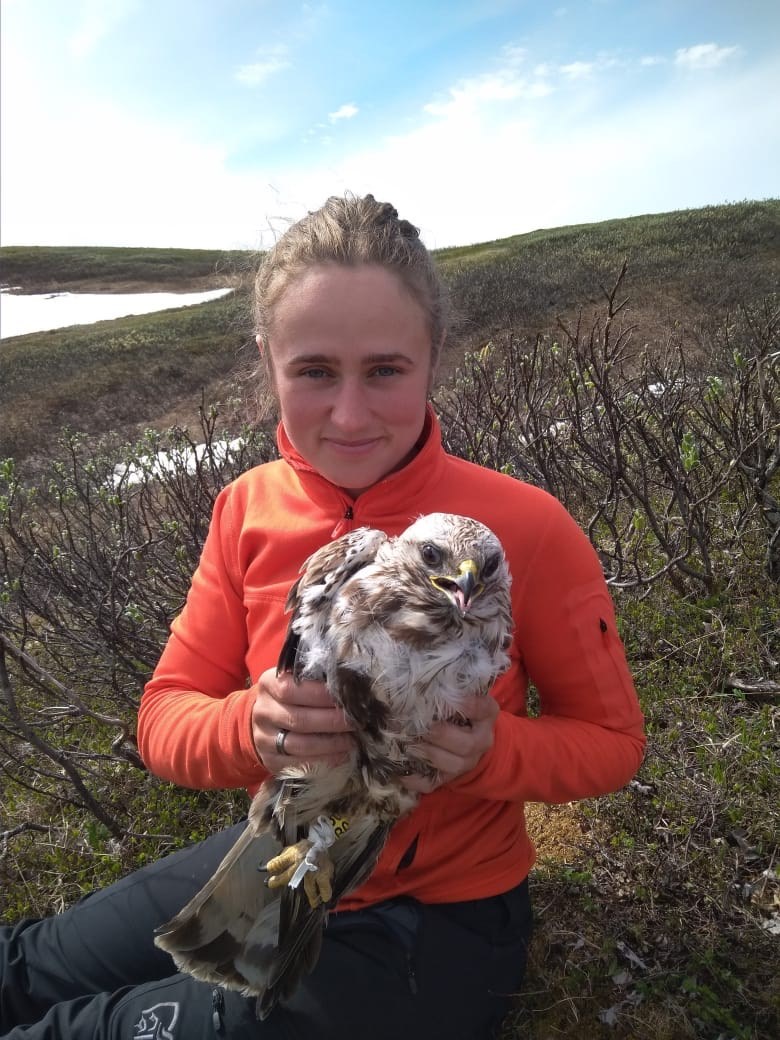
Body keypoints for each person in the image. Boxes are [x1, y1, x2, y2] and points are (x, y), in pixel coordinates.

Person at [0, 194, 645, 1040]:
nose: (348, 413)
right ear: (267, 360)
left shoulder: (521, 528)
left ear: (433, 356)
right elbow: (164, 718)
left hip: (433, 915)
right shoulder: (245, 508)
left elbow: (612, 745)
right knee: (24, 972)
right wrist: (251, 730)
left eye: (384, 370)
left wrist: (493, 752)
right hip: (279, 845)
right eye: (314, 371)